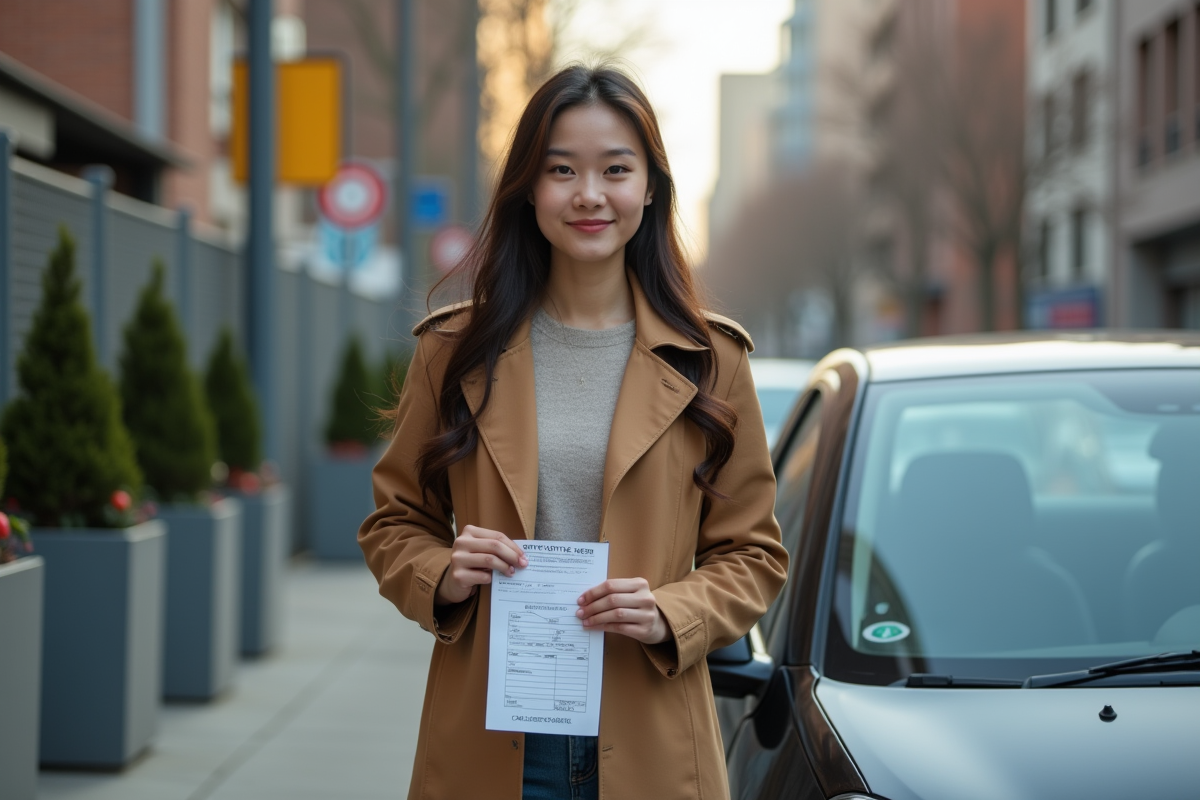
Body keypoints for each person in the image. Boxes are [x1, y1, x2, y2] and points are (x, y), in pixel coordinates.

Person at [359, 64, 787, 800]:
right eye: (562, 170)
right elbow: (393, 523)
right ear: (529, 188)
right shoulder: (454, 351)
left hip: (650, 738)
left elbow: (753, 554)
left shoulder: (712, 360)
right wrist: (444, 573)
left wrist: (671, 611)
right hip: (490, 738)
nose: (589, 194)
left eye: (615, 169)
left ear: (649, 188)